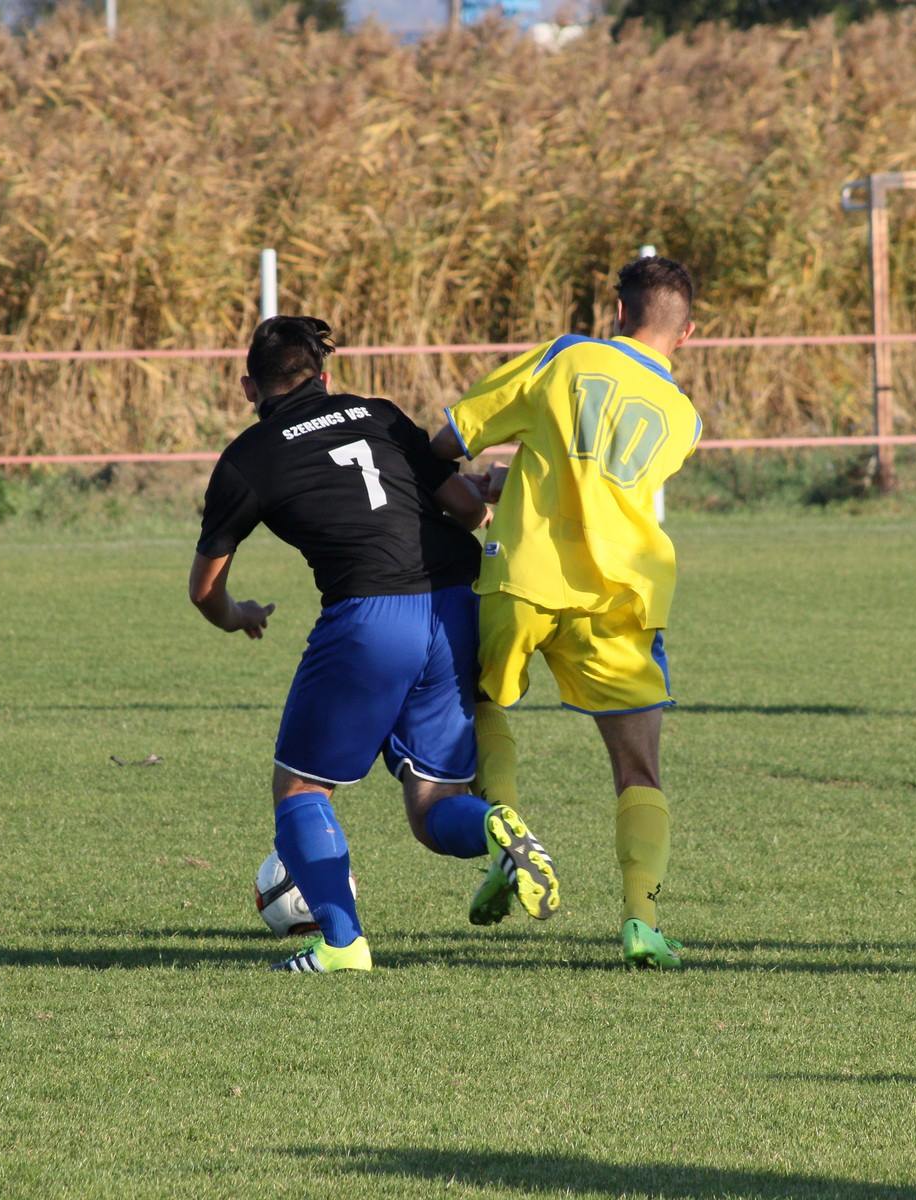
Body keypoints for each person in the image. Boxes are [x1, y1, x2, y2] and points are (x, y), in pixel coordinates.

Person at [190, 316, 561, 975]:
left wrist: (235, 615)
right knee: (433, 806)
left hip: (371, 615)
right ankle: (494, 828)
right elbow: (467, 510)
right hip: (457, 605)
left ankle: (342, 945)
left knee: (301, 789)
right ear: (325, 377)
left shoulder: (249, 457)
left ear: (249, 387)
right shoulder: (380, 413)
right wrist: (488, 490)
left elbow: (204, 589)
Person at [430, 256, 702, 967]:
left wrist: (484, 483)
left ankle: (507, 833)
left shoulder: (567, 357)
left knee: (483, 701)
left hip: (526, 574)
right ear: (687, 333)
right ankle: (641, 920)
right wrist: (518, 475)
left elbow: (453, 436)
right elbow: (601, 476)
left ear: (617, 313)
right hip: (621, 595)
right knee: (639, 769)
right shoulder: (684, 417)